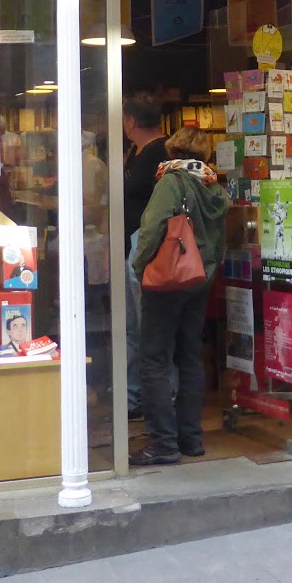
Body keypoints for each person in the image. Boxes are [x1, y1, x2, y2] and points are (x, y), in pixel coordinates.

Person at [128, 126, 229, 466]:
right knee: (189, 356)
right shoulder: (212, 186)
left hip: (168, 280)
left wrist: (141, 267)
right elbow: (217, 240)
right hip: (199, 280)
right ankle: (191, 438)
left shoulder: (172, 182)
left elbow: (153, 226)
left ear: (173, 151)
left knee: (153, 358)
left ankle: (163, 443)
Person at [122, 92, 170, 416]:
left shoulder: (161, 152)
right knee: (131, 326)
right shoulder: (134, 151)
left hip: (148, 248)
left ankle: (158, 400)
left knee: (149, 325)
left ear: (131, 121)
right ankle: (133, 395)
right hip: (131, 244)